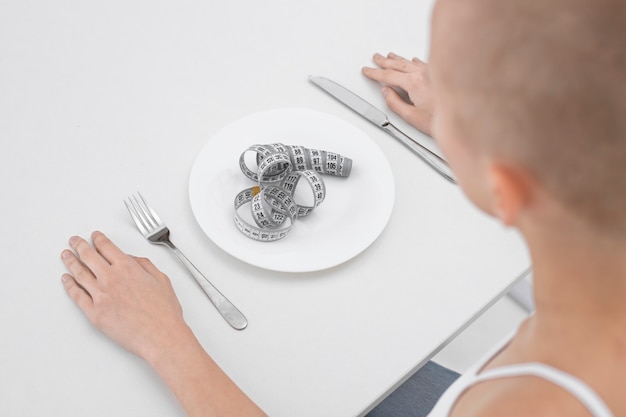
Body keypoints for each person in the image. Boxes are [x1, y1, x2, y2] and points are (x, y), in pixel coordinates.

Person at [60, 0, 626, 416]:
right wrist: (490, 124)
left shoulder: (541, 403)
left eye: (458, 92)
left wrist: (164, 340)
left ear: (503, 182)